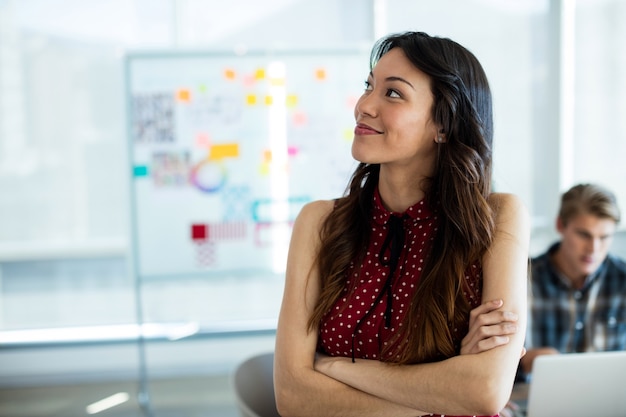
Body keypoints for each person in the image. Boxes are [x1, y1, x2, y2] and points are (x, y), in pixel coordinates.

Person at [274, 31, 530, 417]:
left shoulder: (497, 218)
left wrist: (334, 367)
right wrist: (444, 389)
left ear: (443, 125)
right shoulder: (319, 223)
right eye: (369, 86)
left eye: (392, 93)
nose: (364, 105)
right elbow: (293, 397)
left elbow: (485, 391)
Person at [519, 183, 626, 380]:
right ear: (560, 225)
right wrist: (523, 363)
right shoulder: (520, 280)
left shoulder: (622, 281)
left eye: (604, 237)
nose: (593, 249)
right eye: (584, 235)